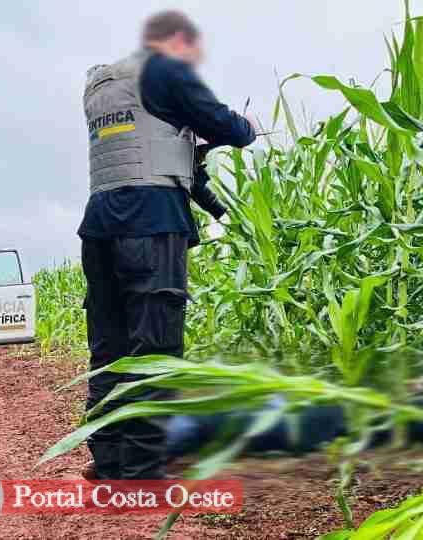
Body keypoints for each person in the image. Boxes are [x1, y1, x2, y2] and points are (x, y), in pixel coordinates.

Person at [78, 10, 256, 480]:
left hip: (99, 225)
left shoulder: (101, 85)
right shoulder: (165, 73)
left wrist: (219, 206)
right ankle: (144, 467)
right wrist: (247, 125)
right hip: (151, 223)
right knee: (154, 348)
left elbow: (159, 157)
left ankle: (109, 458)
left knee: (109, 348)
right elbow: (229, 127)